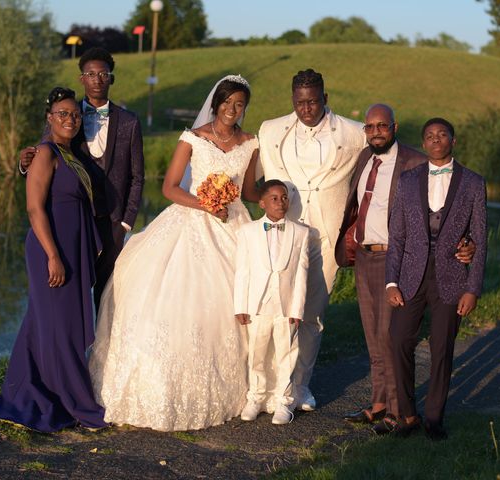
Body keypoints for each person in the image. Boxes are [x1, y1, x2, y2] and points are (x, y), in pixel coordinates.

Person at [89, 75, 260, 431]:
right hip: (192, 218)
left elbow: (249, 191)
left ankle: (252, 387)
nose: (232, 110)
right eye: (226, 103)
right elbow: (169, 187)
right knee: (176, 303)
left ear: (245, 107)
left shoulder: (251, 143)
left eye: (239, 104)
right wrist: (205, 203)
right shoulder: (192, 139)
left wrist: (283, 197)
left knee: (240, 302)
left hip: (234, 224)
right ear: (215, 104)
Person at [335, 105, 476, 434]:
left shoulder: (414, 161)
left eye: (382, 125)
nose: (376, 132)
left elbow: (446, 205)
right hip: (365, 256)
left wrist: (465, 241)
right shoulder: (362, 159)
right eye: (370, 127)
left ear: (394, 127)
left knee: (391, 337)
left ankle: (399, 413)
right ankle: (380, 402)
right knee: (373, 337)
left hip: (398, 260)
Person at [0, 87, 108, 432]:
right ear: (49, 118)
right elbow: (33, 207)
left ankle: (23, 392)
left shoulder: (70, 153)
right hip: (50, 249)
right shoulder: (45, 152)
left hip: (69, 248)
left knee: (41, 324)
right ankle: (78, 403)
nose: (70, 120)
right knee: (62, 329)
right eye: (63, 114)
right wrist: (53, 255)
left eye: (75, 114)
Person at [258, 69, 366, 411]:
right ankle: (273, 386)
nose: (306, 109)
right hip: (283, 232)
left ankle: (300, 385)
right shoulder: (270, 130)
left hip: (326, 235)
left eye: (313, 102)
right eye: (300, 102)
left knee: (312, 314)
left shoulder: (355, 133)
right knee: (277, 310)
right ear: (292, 100)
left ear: (325, 98)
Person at [385, 118, 487, 440]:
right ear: (424, 142)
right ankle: (408, 415)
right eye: (429, 136)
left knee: (442, 346)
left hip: (452, 275)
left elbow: (480, 239)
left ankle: (433, 419)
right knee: (399, 339)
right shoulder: (408, 180)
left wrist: (473, 288)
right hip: (410, 274)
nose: (436, 140)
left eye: (442, 134)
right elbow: (397, 236)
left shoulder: (473, 182)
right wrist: (391, 282)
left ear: (453, 141)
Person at [20, 47, 144, 311]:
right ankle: (70, 347)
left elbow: (137, 177)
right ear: (82, 79)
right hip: (73, 221)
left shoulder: (129, 122)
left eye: (103, 74)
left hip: (113, 221)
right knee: (70, 290)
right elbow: (45, 152)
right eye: (90, 74)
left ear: (111, 78)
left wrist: (126, 223)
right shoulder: (66, 114)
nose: (97, 79)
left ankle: (102, 349)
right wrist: (24, 164)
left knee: (108, 292)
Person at [234, 180, 309, 425]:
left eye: (284, 197)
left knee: (286, 353)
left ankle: (284, 402)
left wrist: (297, 308)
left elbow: (301, 273)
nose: (281, 202)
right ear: (262, 203)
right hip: (258, 304)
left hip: (286, 306)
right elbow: (242, 270)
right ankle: (255, 397)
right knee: (257, 352)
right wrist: (241, 306)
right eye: (274, 198)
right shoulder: (247, 232)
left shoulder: (301, 232)